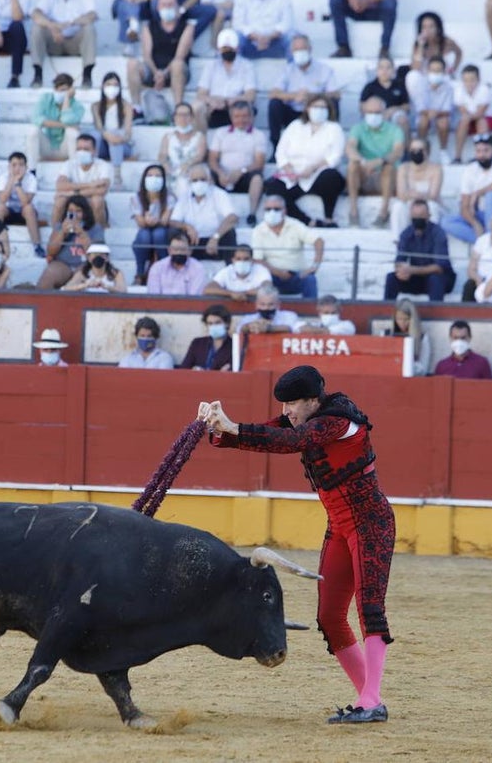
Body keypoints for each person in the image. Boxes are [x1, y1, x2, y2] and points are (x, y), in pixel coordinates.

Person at [199, 365, 395, 724]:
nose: (287, 411)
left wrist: (235, 428)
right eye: (285, 405)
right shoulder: (308, 419)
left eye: (292, 404)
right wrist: (220, 431)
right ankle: (371, 698)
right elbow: (276, 432)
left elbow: (291, 441)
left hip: (371, 524)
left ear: (312, 400)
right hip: (339, 527)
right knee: (330, 618)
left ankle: (371, 701)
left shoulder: (336, 420)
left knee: (370, 609)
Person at [265, 96, 347, 228]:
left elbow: (335, 156)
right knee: (273, 189)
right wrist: (287, 168)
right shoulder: (295, 126)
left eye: (323, 108)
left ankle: (328, 218)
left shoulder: (334, 128)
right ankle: (308, 221)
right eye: (315, 107)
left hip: (318, 174)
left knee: (332, 177)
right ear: (307, 109)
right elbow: (280, 151)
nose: (319, 111)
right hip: (292, 176)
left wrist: (312, 168)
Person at [267, 34, 342, 148]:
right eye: (296, 49)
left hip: (316, 111)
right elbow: (273, 93)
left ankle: (332, 144)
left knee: (333, 103)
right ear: (291, 52)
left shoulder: (324, 69)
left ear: (310, 49)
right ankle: (276, 145)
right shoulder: (287, 70)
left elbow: (336, 93)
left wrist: (313, 97)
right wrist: (294, 96)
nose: (300, 52)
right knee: (274, 104)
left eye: (303, 49)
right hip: (292, 112)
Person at [441, 134, 492, 243]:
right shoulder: (471, 169)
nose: (482, 155)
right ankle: (485, 242)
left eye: (486, 150)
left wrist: (477, 193)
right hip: (483, 215)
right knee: (447, 221)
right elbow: (464, 206)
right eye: (478, 151)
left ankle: (491, 237)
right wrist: (475, 223)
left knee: (491, 195)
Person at [126, 0, 194, 117]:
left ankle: (178, 109)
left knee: (177, 65)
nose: (167, 7)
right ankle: (137, 108)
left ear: (177, 6)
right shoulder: (149, 27)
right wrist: (156, 73)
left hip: (177, 72)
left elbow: (180, 55)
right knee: (132, 64)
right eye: (164, 5)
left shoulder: (187, 27)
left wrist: (164, 73)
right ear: (158, 8)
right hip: (154, 69)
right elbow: (146, 55)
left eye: (170, 4)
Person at [208, 100, 268, 226]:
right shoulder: (220, 133)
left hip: (246, 175)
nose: (241, 120)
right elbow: (212, 159)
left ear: (251, 117)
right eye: (237, 116)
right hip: (223, 174)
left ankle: (252, 214)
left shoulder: (258, 135)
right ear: (231, 117)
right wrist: (220, 173)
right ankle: (211, 211)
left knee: (257, 178)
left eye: (245, 116)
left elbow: (259, 163)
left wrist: (241, 171)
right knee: (207, 175)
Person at [251, 196, 324, 298]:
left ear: (284, 210)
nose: (272, 212)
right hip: (271, 276)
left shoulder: (295, 225)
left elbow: (318, 241)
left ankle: (311, 312)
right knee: (259, 280)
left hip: (296, 275)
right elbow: (257, 259)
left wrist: (314, 267)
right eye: (268, 209)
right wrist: (279, 273)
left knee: (310, 280)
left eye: (276, 209)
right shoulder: (258, 231)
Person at [388, 199, 454, 302]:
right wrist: (401, 271)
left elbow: (439, 267)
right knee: (391, 278)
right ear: (410, 216)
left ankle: (437, 315)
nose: (418, 218)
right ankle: (385, 314)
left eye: (422, 215)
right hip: (416, 278)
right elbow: (399, 260)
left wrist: (412, 270)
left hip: (441, 279)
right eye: (415, 215)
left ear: (429, 215)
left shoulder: (438, 233)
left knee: (435, 279)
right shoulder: (406, 234)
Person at [170, 164, 238, 262]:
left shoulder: (219, 194)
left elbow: (232, 217)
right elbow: (173, 221)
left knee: (230, 233)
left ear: (209, 180)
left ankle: (231, 269)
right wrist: (187, 227)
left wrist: (216, 237)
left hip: (215, 241)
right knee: (174, 232)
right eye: (195, 180)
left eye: (202, 179)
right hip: (193, 242)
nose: (199, 183)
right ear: (189, 182)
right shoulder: (185, 196)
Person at [194, 27, 257, 129]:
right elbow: (201, 93)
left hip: (235, 104)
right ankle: (202, 141)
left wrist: (231, 100)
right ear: (219, 49)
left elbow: (251, 95)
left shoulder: (246, 66)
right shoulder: (211, 66)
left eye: (230, 49)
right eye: (224, 49)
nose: (227, 51)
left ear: (237, 48)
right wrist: (212, 101)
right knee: (197, 107)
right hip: (214, 106)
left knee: (246, 108)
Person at [38, 195, 104, 289]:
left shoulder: (95, 228)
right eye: (71, 211)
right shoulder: (60, 226)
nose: (75, 215)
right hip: (63, 264)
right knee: (47, 277)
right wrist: (62, 233)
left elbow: (96, 255)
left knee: (79, 281)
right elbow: (51, 251)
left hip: (85, 264)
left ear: (85, 212)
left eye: (78, 211)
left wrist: (81, 233)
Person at [30, 0, 97, 90]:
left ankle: (87, 76)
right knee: (37, 29)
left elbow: (92, 15)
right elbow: (35, 14)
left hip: (75, 43)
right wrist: (51, 26)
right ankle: (37, 75)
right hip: (55, 41)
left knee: (89, 28)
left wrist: (72, 23)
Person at [404, 12, 463, 111]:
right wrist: (421, 46)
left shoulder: (446, 42)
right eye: (424, 27)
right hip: (426, 80)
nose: (427, 30)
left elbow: (459, 53)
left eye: (431, 26)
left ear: (438, 27)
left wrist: (454, 68)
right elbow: (415, 68)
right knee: (412, 76)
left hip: (443, 79)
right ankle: (420, 111)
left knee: (456, 86)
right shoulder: (418, 44)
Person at [53, 133, 113, 229]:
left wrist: (70, 193)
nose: (82, 152)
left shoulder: (103, 165)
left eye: (86, 149)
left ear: (94, 151)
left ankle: (99, 237)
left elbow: (102, 190)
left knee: (97, 200)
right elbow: (60, 186)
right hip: (72, 202)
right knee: (59, 201)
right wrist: (90, 185)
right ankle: (55, 234)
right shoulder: (69, 164)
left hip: (90, 202)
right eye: (79, 149)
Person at [24, 73, 84, 167]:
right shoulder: (45, 98)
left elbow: (67, 119)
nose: (61, 93)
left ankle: (74, 170)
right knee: (33, 131)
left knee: (72, 132)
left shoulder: (78, 106)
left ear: (70, 90)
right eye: (59, 90)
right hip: (47, 146)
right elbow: (36, 119)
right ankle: (32, 170)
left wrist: (66, 100)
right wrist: (64, 125)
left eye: (65, 90)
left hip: (65, 149)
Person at [131, 164, 175, 284]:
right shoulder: (137, 197)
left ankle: (164, 270)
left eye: (157, 176)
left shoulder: (169, 197)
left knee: (159, 234)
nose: (153, 178)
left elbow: (165, 220)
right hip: (145, 230)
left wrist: (156, 220)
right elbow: (140, 221)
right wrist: (146, 220)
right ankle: (140, 273)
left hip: (162, 230)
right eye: (150, 176)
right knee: (144, 235)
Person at [390, 138, 444, 234]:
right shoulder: (403, 168)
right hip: (409, 204)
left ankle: (430, 239)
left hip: (429, 203)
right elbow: (401, 195)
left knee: (432, 207)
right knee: (398, 207)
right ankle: (398, 241)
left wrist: (413, 194)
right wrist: (421, 195)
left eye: (420, 150)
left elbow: (433, 195)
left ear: (427, 151)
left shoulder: (436, 169)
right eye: (413, 150)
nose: (416, 152)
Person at [0, 152, 44, 256]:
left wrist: (17, 183)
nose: (17, 168)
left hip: (24, 213)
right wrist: (11, 180)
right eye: (14, 165)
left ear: (26, 167)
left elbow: (25, 202)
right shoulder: (3, 177)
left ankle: (37, 245)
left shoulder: (31, 178)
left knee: (29, 208)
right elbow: (2, 199)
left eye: (21, 165)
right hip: (8, 212)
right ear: (9, 166)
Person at [92, 72, 135, 187]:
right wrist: (109, 136)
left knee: (115, 135)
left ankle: (117, 174)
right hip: (104, 144)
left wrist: (118, 139)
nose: (112, 88)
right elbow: (99, 128)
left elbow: (128, 133)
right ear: (102, 86)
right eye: (108, 84)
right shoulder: (96, 106)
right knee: (94, 135)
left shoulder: (126, 106)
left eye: (115, 85)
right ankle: (93, 173)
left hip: (122, 144)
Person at [159, 102, 207, 198]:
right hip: (172, 170)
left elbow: (200, 156)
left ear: (192, 117)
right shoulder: (168, 137)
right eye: (179, 115)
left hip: (192, 171)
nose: (183, 118)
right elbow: (162, 155)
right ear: (175, 117)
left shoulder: (199, 136)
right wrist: (165, 164)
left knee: (184, 182)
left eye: (186, 115)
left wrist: (187, 165)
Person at [361, 56, 410, 145]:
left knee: (402, 120)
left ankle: (404, 151)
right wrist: (379, 113)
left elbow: (406, 106)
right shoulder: (370, 87)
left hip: (395, 114)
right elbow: (362, 106)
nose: (384, 71)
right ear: (377, 70)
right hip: (376, 115)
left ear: (393, 70)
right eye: (381, 67)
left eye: (388, 67)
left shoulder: (399, 85)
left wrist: (392, 110)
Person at [452, 65, 492, 164]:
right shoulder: (459, 90)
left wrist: (467, 117)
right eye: (466, 80)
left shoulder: (484, 89)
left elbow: (480, 112)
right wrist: (467, 118)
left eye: (472, 79)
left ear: (478, 79)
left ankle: (482, 154)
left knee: (481, 121)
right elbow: (462, 110)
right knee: (464, 121)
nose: (469, 83)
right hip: (468, 121)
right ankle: (457, 156)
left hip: (488, 119)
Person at [329, 0, 397, 59]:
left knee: (390, 3)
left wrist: (367, 0)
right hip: (354, 8)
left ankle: (385, 48)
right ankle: (344, 47)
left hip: (375, 10)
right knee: (335, 1)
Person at [146, 230, 207, 295]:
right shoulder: (157, 268)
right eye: (175, 249)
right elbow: (153, 297)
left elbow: (195, 298)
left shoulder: (198, 268)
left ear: (190, 251)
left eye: (182, 250)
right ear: (169, 251)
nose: (179, 252)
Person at [415, 57, 454, 158]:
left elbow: (447, 110)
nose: (435, 73)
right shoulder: (420, 85)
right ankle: (421, 150)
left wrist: (436, 113)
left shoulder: (448, 87)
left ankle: (443, 151)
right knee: (423, 121)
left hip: (441, 116)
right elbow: (420, 108)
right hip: (425, 116)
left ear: (444, 72)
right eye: (433, 70)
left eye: (439, 70)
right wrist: (429, 113)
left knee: (444, 122)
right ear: (428, 70)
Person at [203, 244, 272, 300]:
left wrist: (242, 294)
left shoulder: (261, 270)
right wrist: (231, 293)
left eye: (246, 259)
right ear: (233, 260)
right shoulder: (227, 271)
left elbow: (267, 288)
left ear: (252, 260)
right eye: (238, 259)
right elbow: (208, 289)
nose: (242, 262)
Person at [180, 304, 233, 370]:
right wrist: (194, 370)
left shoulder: (234, 346)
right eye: (210, 323)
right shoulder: (197, 343)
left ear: (227, 323)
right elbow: (184, 369)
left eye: (218, 323)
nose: (214, 326)